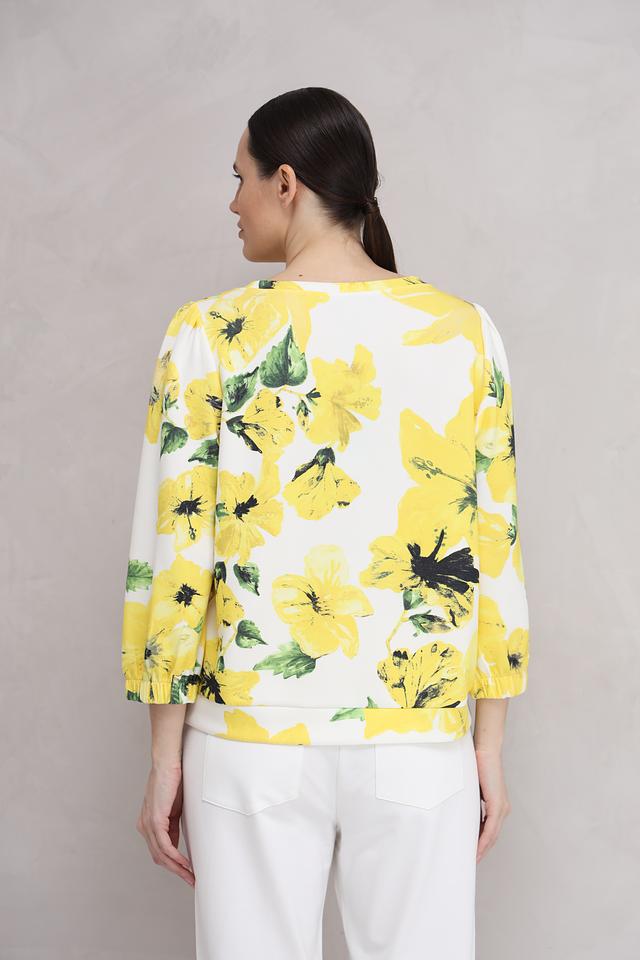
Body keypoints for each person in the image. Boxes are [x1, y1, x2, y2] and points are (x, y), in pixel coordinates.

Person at [121, 86, 530, 959]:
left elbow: (174, 555)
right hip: (418, 740)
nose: (232, 202)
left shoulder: (208, 334)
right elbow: (493, 547)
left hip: (248, 741)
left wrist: (165, 757)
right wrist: (488, 747)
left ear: (287, 182)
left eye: (239, 178)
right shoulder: (464, 333)